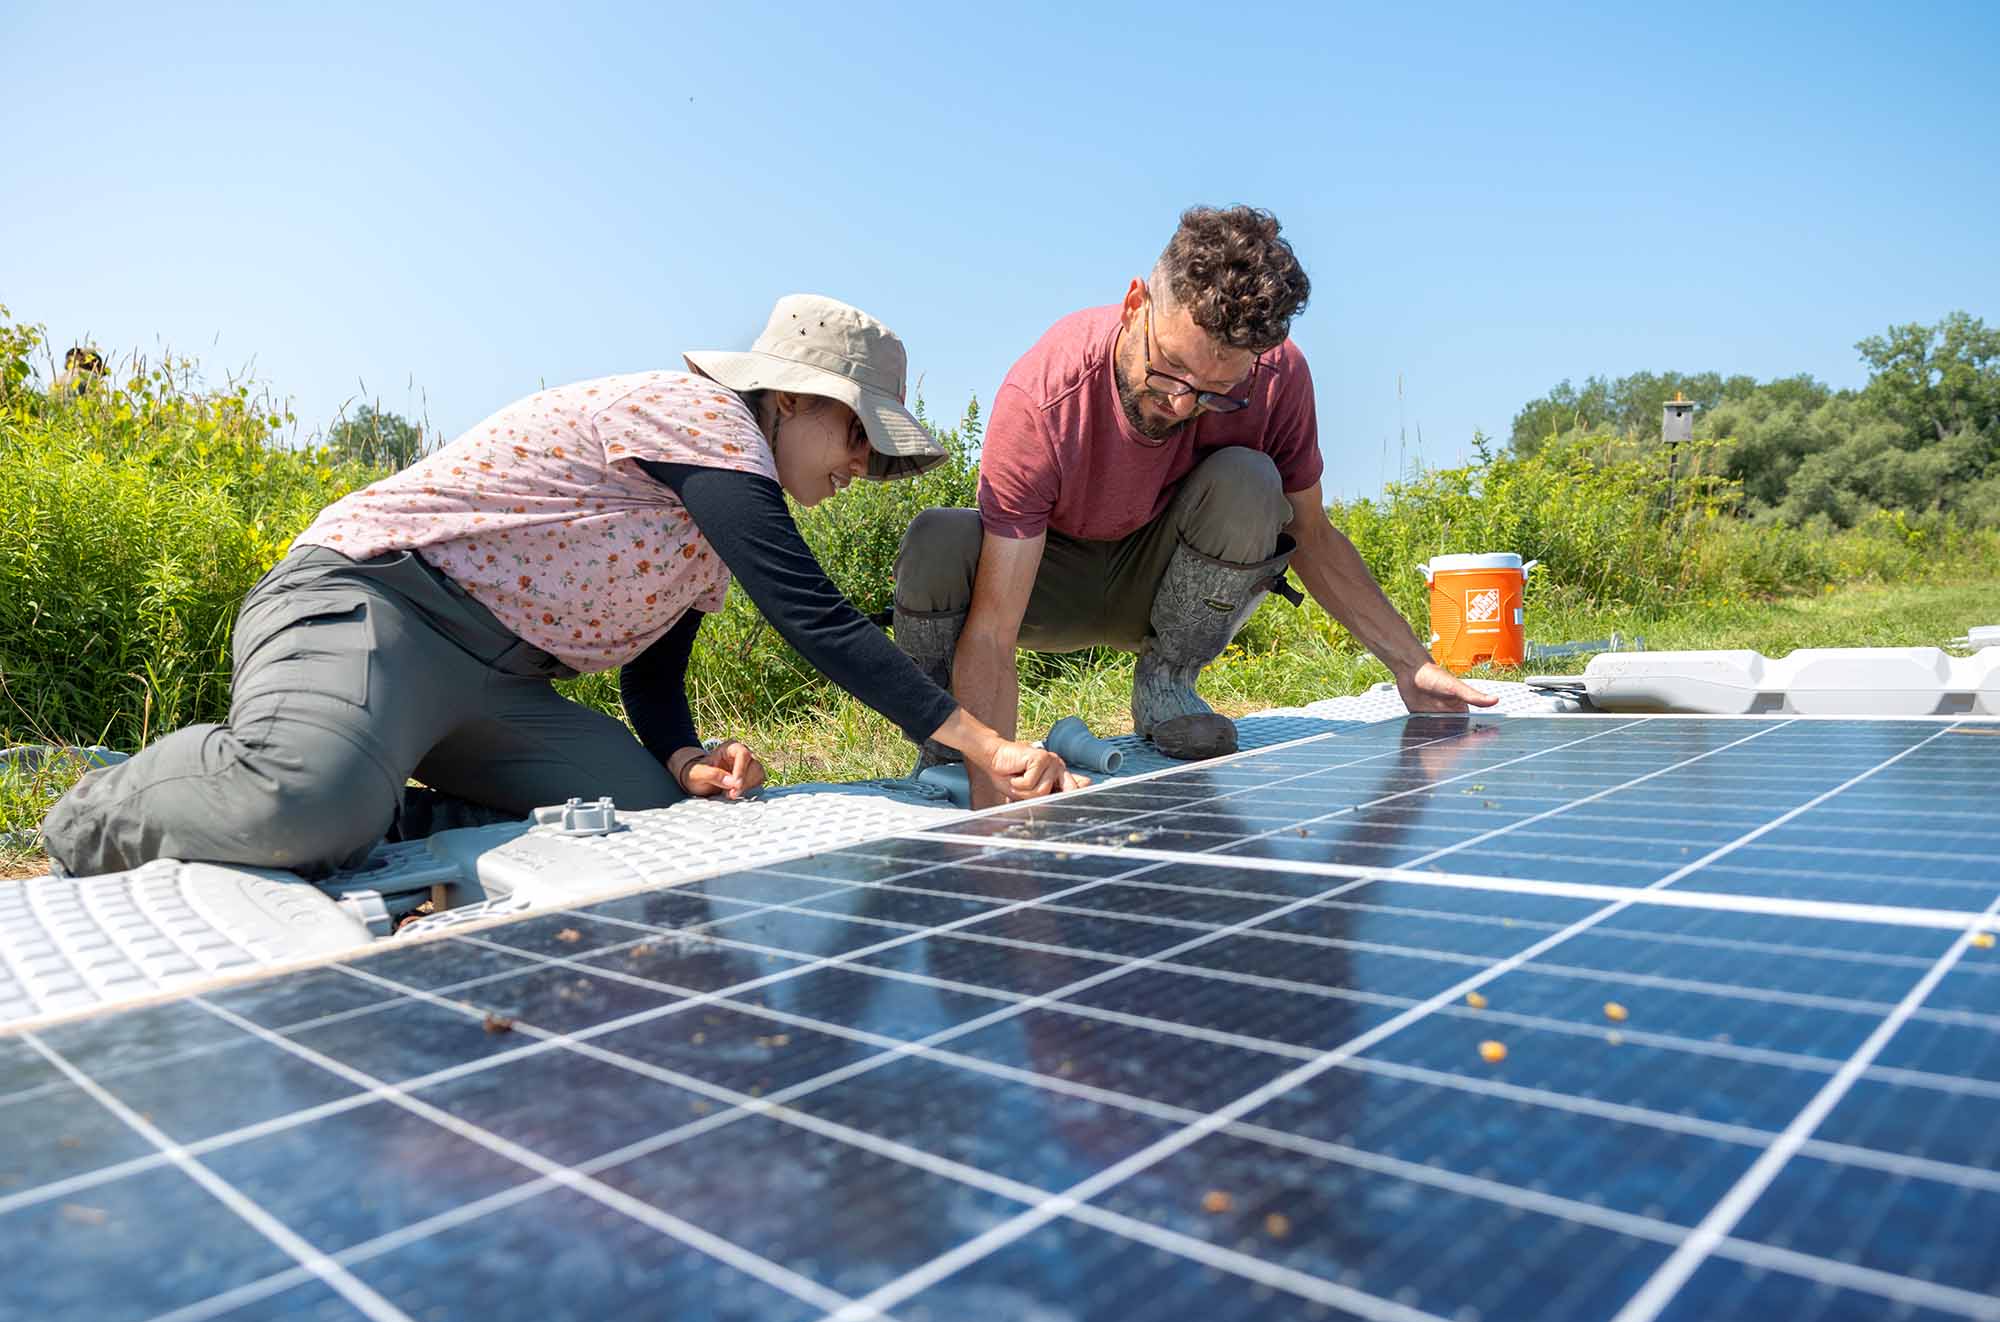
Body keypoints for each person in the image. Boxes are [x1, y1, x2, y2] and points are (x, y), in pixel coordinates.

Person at [44, 295, 1081, 878]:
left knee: (634, 806)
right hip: (374, 606)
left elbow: (653, 678)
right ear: (787, 401)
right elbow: (810, 619)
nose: (862, 465)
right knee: (299, 801)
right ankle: (97, 810)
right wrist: (985, 742)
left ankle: (380, 809)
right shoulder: (705, 424)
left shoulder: (710, 529)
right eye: (858, 433)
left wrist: (681, 755)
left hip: (493, 689)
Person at [892, 206, 1497, 807]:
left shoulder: (1279, 378)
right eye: (1170, 370)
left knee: (1251, 478)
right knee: (938, 539)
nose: (1182, 404)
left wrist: (1411, 666)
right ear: (1136, 306)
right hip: (1045, 584)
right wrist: (992, 791)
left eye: (1216, 391)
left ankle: (1167, 687)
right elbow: (994, 629)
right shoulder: (1045, 397)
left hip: (1161, 586)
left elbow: (1311, 533)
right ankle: (953, 748)